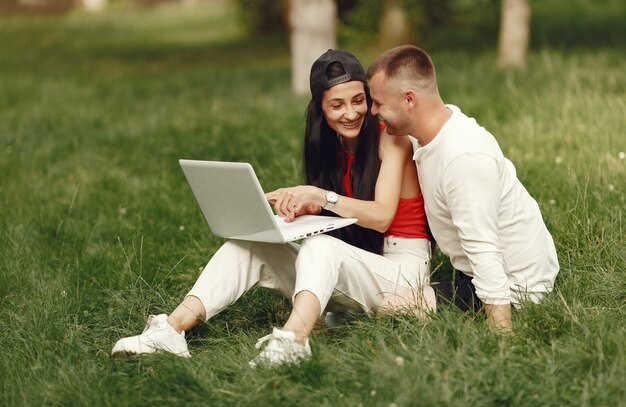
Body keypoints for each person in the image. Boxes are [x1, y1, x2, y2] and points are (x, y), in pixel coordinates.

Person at [112, 49, 432, 366]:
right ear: (320, 108)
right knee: (251, 245)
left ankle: (293, 341)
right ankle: (171, 329)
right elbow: (348, 213)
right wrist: (307, 210)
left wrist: (322, 197)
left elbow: (380, 216)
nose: (350, 113)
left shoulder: (390, 137)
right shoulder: (329, 146)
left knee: (321, 247)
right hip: (356, 266)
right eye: (337, 105)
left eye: (358, 100)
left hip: (402, 272)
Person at [366, 45, 560, 331]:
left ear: (409, 99)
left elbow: (484, 250)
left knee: (389, 309)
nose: (373, 111)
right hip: (474, 272)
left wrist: (502, 337)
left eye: (378, 103)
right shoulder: (430, 132)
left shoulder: (462, 158)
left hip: (516, 286)